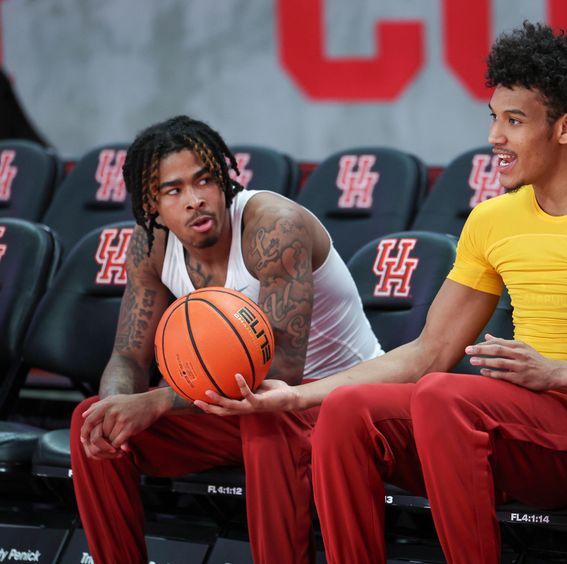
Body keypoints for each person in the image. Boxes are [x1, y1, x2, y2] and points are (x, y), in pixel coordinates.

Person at [198, 22, 567, 564]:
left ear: (565, 127)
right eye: (494, 118)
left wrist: (556, 372)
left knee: (446, 395)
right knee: (349, 409)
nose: (495, 137)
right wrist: (298, 396)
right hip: (523, 424)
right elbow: (429, 352)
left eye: (515, 121)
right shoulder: (491, 220)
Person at [70, 115, 383, 564]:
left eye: (204, 180)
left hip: (336, 400)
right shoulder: (150, 244)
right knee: (92, 421)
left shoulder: (274, 228)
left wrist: (157, 401)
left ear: (223, 179)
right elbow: (128, 355)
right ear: (151, 204)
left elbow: (280, 377)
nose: (195, 200)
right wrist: (116, 405)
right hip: (240, 400)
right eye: (173, 190)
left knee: (266, 418)